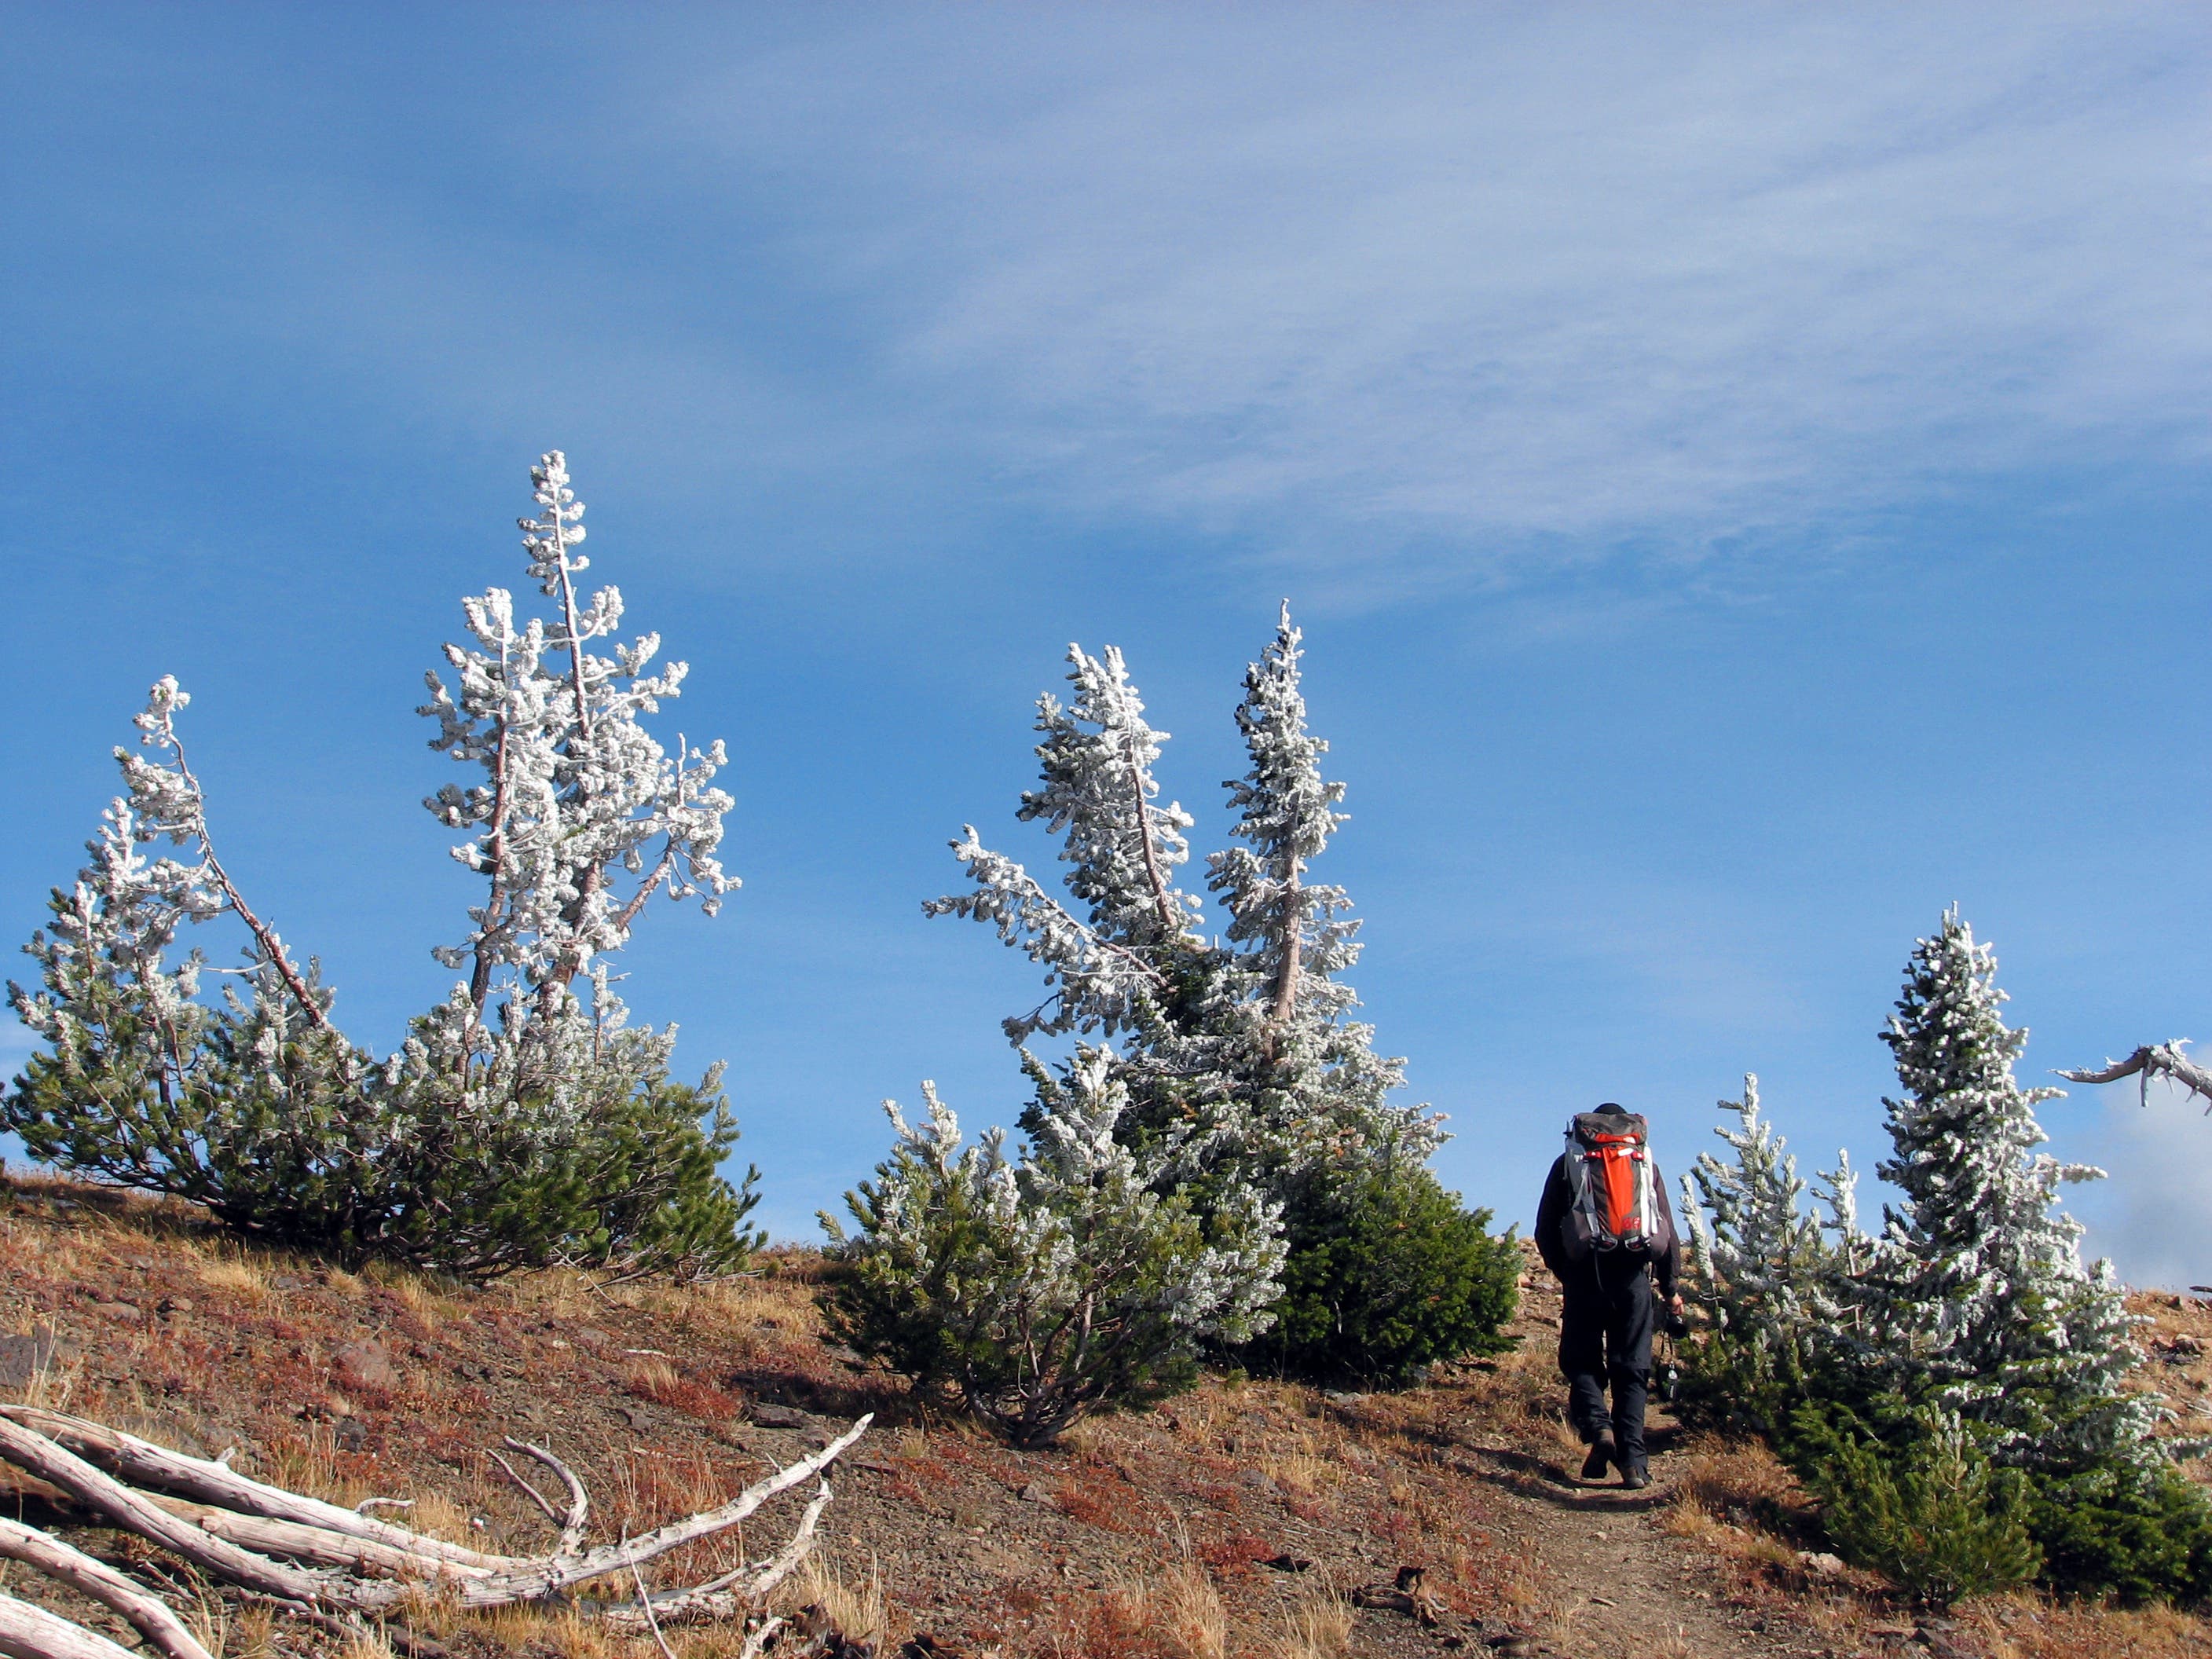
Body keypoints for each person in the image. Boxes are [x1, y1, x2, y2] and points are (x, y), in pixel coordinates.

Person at [1533, 1101, 1684, 1489]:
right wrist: (1670, 1289)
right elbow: (1666, 1226)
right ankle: (1634, 1462)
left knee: (1581, 1360)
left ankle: (1599, 1429)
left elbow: (1545, 1229)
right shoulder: (1642, 1163)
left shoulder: (1570, 1163)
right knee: (1632, 1369)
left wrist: (1566, 1272)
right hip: (1634, 1276)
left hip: (1585, 1275)